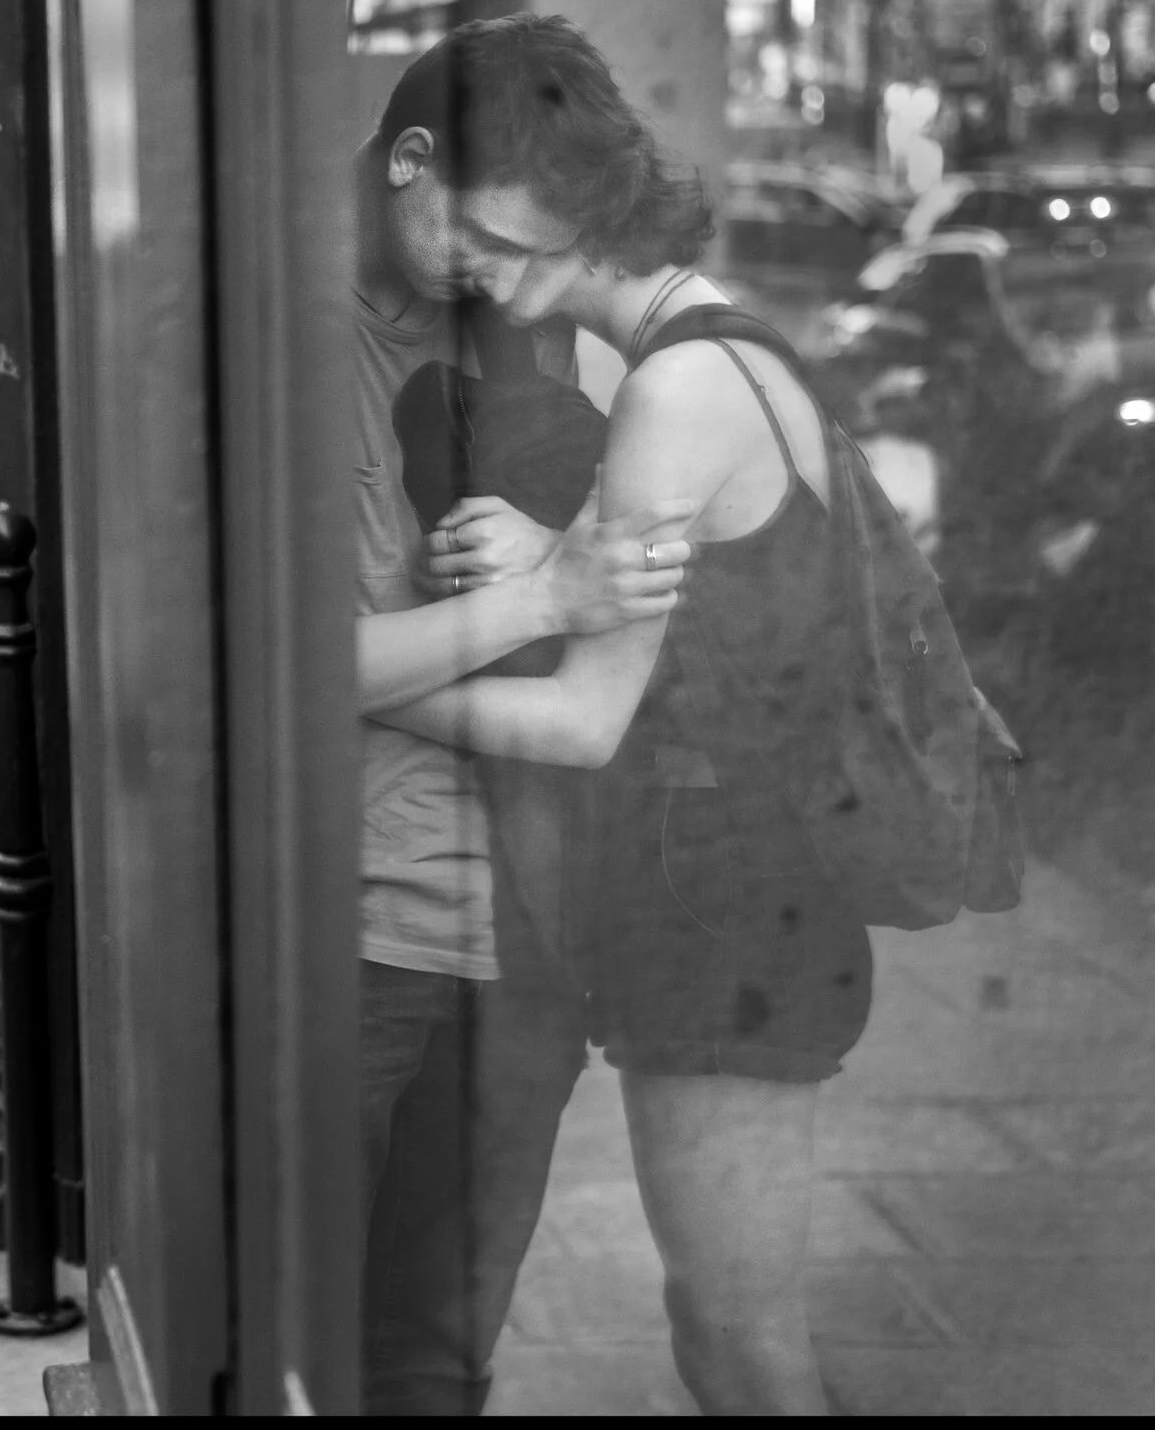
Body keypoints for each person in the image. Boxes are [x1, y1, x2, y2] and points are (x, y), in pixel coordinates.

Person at [374, 131, 863, 1415]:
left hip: (733, 911)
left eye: (495, 225)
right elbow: (701, 604)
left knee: (742, 1332)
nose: (466, 259)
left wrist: (361, 690)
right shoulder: (696, 350)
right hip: (723, 896)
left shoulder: (676, 386)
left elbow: (589, 719)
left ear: (579, 208)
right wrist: (554, 549)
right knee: (714, 1324)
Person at [346, 13, 701, 1415]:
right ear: (409, 162)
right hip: (347, 928)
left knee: (438, 1357)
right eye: (493, 238)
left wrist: (559, 543)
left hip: (527, 924)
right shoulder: (264, 331)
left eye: (545, 254)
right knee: (303, 1335)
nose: (514, 277)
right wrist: (545, 598)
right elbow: (275, 665)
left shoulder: (517, 318)